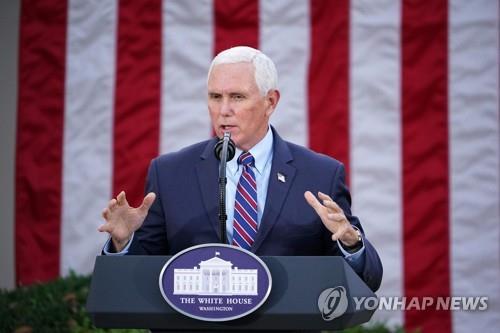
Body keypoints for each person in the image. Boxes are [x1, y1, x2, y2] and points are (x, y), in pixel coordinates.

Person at [98, 46, 382, 292]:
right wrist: (124, 244)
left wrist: (352, 243)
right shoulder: (170, 174)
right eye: (215, 97)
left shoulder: (320, 174)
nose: (223, 110)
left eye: (237, 97)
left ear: (270, 102)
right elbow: (142, 275)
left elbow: (366, 280)